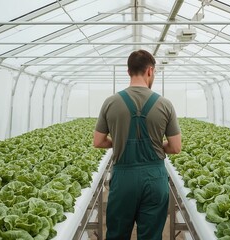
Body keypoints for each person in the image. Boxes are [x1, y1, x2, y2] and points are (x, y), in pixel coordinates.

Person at [93, 49, 181, 240]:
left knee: (117, 234)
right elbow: (175, 147)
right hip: (154, 179)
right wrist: (157, 146)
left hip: (123, 179)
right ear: (150, 71)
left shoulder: (111, 102)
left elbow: (98, 142)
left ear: (128, 71)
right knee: (151, 235)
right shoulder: (165, 104)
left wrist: (118, 142)